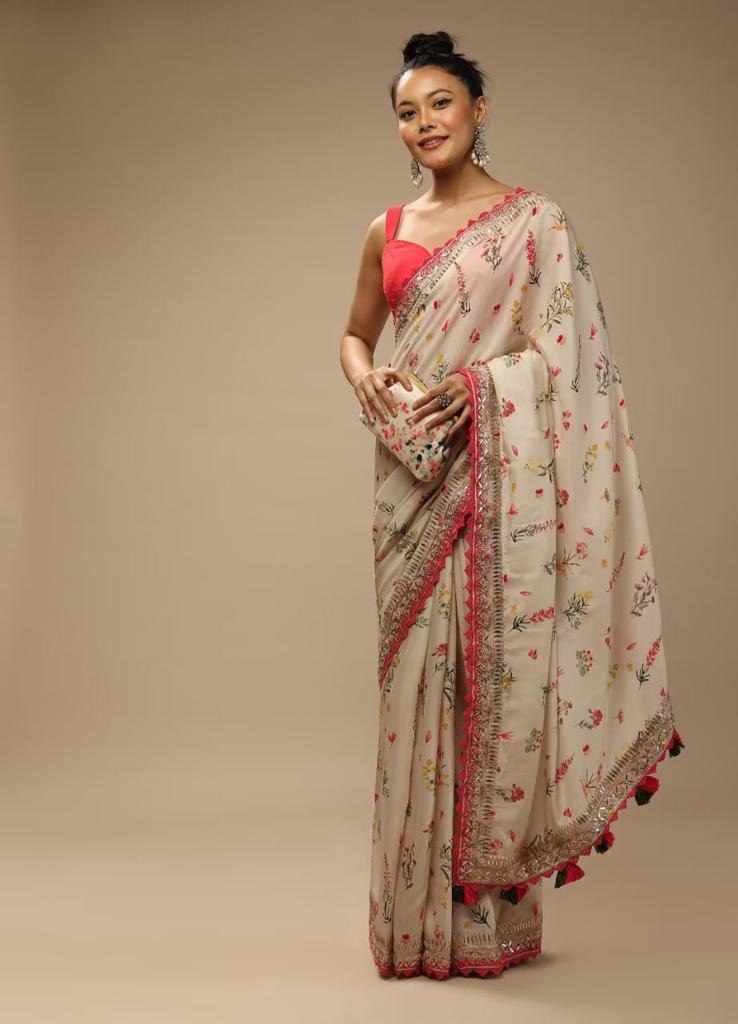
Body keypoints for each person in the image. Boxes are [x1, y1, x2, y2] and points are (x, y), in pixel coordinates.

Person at [338, 29, 685, 981]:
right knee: (414, 686)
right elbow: (355, 334)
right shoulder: (386, 229)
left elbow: (569, 361)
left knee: (495, 674)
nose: (424, 123)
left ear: (478, 109)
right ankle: (412, 928)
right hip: (410, 477)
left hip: (500, 475)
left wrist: (484, 386)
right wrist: (366, 378)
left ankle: (486, 925)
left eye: (440, 103)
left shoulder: (536, 223)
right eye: (407, 112)